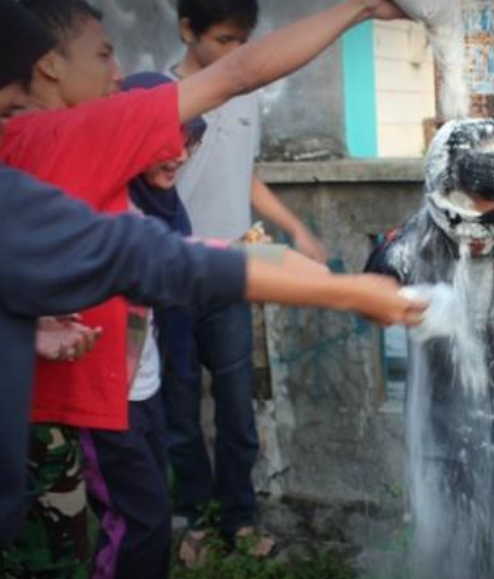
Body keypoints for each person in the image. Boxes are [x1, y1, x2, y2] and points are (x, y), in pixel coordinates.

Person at [0, 7, 423, 578]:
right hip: (88, 400)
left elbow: (178, 248)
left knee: (136, 512)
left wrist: (329, 281)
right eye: (103, 53)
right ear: (46, 66)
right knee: (125, 527)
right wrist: (358, 7)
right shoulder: (62, 136)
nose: (117, 72)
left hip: (111, 386)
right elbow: (236, 79)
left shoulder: (20, 156)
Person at [365, 119, 494, 579]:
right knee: (445, 563)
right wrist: (400, 309)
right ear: (436, 189)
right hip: (440, 441)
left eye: (493, 207)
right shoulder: (402, 253)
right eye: (462, 208)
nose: (476, 231)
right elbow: (371, 308)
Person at [163, 0, 332, 561]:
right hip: (172, 276)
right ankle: (194, 518)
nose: (237, 55)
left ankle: (239, 518)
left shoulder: (248, 93)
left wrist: (293, 228)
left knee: (238, 407)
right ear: (188, 30)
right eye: (223, 41)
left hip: (234, 274)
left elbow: (245, 172)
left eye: (243, 42)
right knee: (180, 409)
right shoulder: (157, 98)